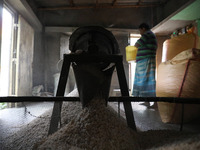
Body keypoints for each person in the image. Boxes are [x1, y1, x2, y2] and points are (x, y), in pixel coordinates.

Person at [132, 23, 157, 108]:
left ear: (143, 28)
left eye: (140, 30)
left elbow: (137, 44)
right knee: (145, 82)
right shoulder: (149, 35)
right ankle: (147, 101)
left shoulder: (148, 34)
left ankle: (155, 103)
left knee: (148, 81)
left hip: (146, 61)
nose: (140, 33)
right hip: (144, 60)